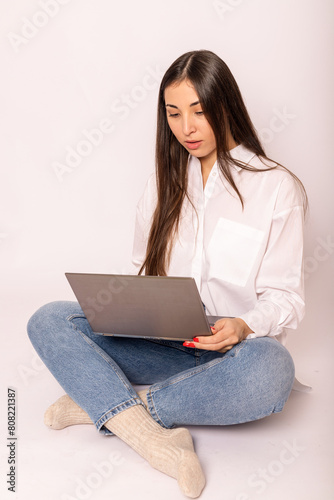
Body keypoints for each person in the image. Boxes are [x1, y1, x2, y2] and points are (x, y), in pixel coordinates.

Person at [27, 50, 307, 499]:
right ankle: (158, 441)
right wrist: (130, 307)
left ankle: (105, 408)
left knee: (272, 371)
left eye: (199, 111)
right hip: (165, 345)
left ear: (226, 104)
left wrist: (241, 325)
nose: (186, 128)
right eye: (173, 114)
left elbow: (287, 297)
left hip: (234, 357)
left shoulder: (276, 187)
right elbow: (143, 271)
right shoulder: (163, 183)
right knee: (50, 319)